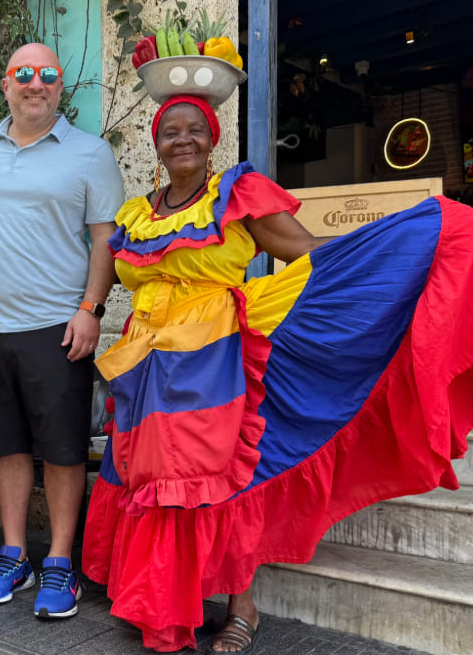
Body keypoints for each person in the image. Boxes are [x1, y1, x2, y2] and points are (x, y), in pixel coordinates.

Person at [81, 94, 473, 652]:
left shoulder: (235, 195)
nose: (183, 139)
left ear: (213, 139)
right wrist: (87, 309)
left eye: (196, 129)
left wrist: (380, 250)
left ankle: (243, 609)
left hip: (214, 358)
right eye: (171, 131)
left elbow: (307, 251)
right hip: (145, 363)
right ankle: (160, 598)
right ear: (156, 144)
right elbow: (112, 263)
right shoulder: (136, 214)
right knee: (152, 482)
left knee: (222, 476)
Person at [0, 42, 125, 619]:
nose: (36, 83)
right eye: (23, 74)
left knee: (61, 450)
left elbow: (106, 239)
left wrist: (91, 309)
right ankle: (13, 553)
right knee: (5, 446)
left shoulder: (90, 153)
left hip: (60, 326)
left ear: (61, 87)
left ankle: (58, 561)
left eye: (47, 74)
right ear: (5, 85)